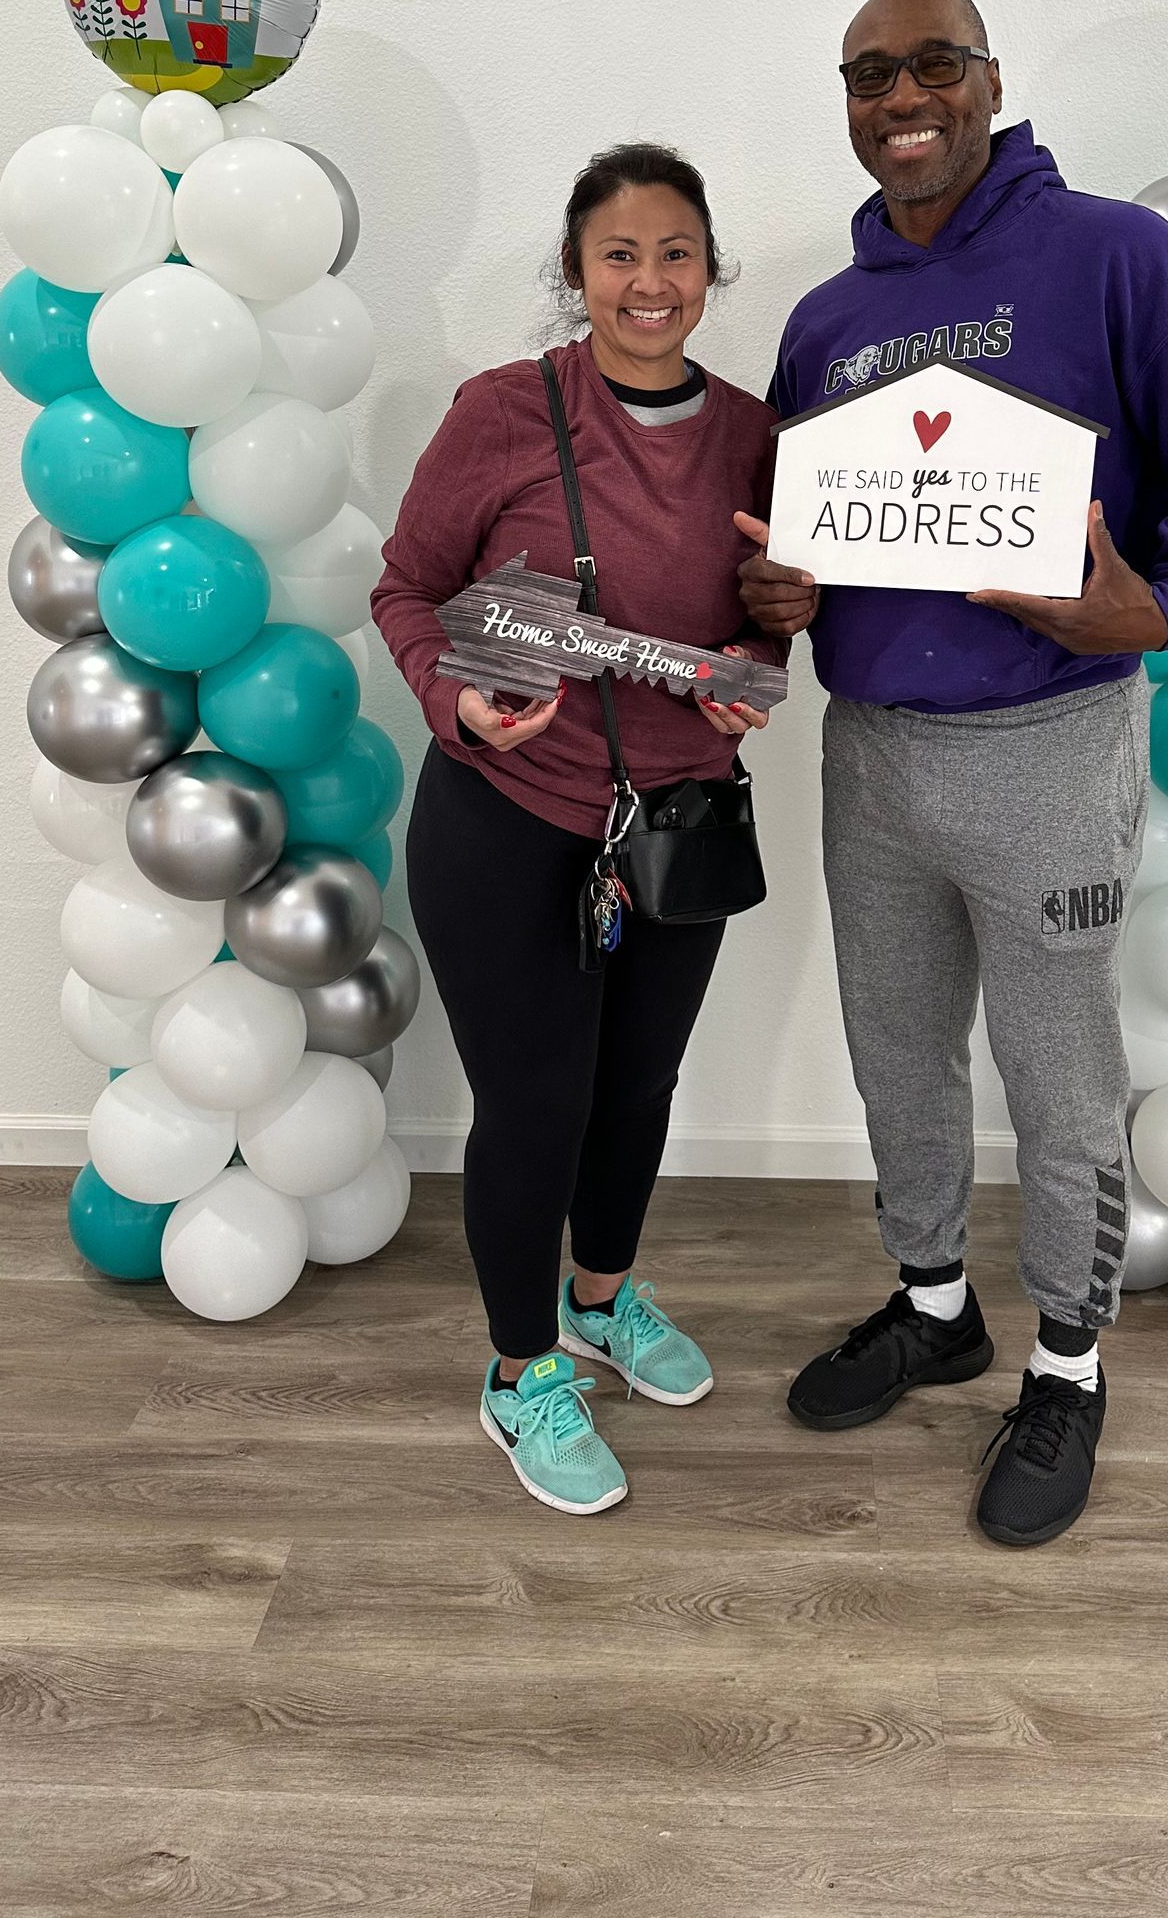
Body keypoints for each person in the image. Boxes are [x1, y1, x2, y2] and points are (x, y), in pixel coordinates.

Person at [737, 0, 1168, 1547]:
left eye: (934, 64)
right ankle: (934, 1303)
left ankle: (1067, 1362)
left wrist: (1166, 604)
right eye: (868, 75)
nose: (901, 98)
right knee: (897, 1049)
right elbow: (797, 534)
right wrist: (776, 593)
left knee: (1059, 1077)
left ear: (989, 80)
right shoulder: (826, 322)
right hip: (874, 751)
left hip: (1049, 741)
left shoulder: (1117, 258)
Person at [373, 143, 781, 1517]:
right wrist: (453, 701)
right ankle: (520, 1370)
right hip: (506, 816)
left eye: (676, 253)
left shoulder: (758, 436)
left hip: (676, 823)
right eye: (619, 255)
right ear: (575, 271)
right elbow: (407, 589)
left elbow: (769, 616)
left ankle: (600, 1303)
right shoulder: (503, 412)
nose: (648, 282)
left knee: (638, 1088)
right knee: (536, 1103)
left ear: (709, 272)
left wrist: (753, 667)